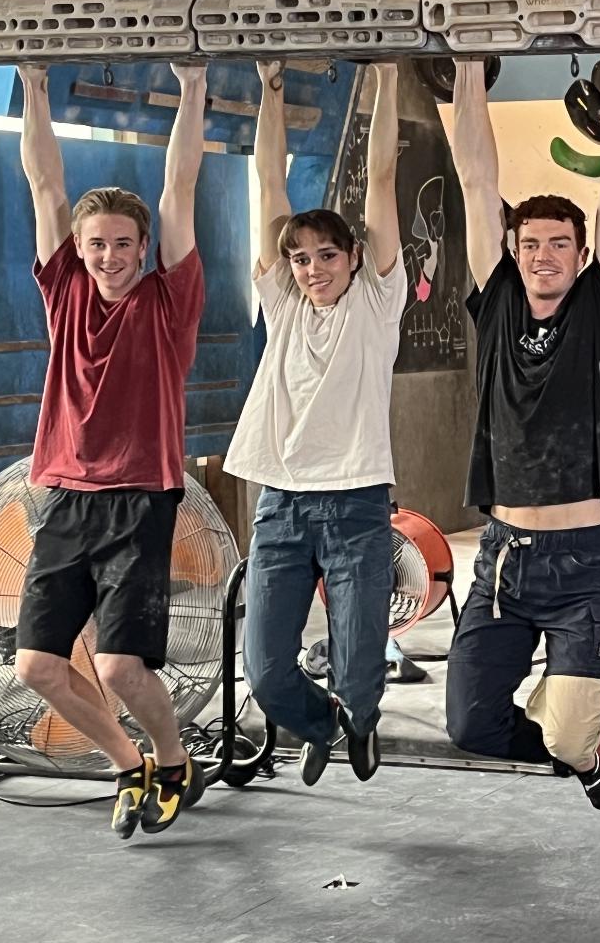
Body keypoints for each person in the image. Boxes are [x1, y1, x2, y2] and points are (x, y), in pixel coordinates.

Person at [443, 54, 600, 810]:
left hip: (584, 560)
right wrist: (466, 69)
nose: (543, 255)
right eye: (530, 243)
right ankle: (566, 741)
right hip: (503, 559)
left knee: (565, 738)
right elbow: (475, 180)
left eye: (559, 243)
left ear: (583, 254)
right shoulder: (495, 302)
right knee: (468, 724)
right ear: (513, 250)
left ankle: (578, 745)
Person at [12, 62, 207, 838]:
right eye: (96, 244)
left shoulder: (169, 298)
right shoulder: (63, 288)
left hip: (141, 497)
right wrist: (32, 84)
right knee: (36, 667)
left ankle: (171, 754)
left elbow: (180, 191)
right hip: (65, 495)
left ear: (142, 247)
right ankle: (128, 764)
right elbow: (46, 189)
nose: (107, 256)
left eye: (122, 244)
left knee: (123, 666)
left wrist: (192, 88)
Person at [226, 60, 406, 787]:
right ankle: (322, 723)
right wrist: (269, 88)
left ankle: (357, 719)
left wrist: (388, 80)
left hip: (357, 500)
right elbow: (270, 183)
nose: (310, 268)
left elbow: (383, 180)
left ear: (354, 257)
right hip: (281, 503)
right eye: (299, 258)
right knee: (265, 672)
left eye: (326, 255)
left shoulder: (375, 305)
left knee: (360, 667)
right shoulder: (285, 306)